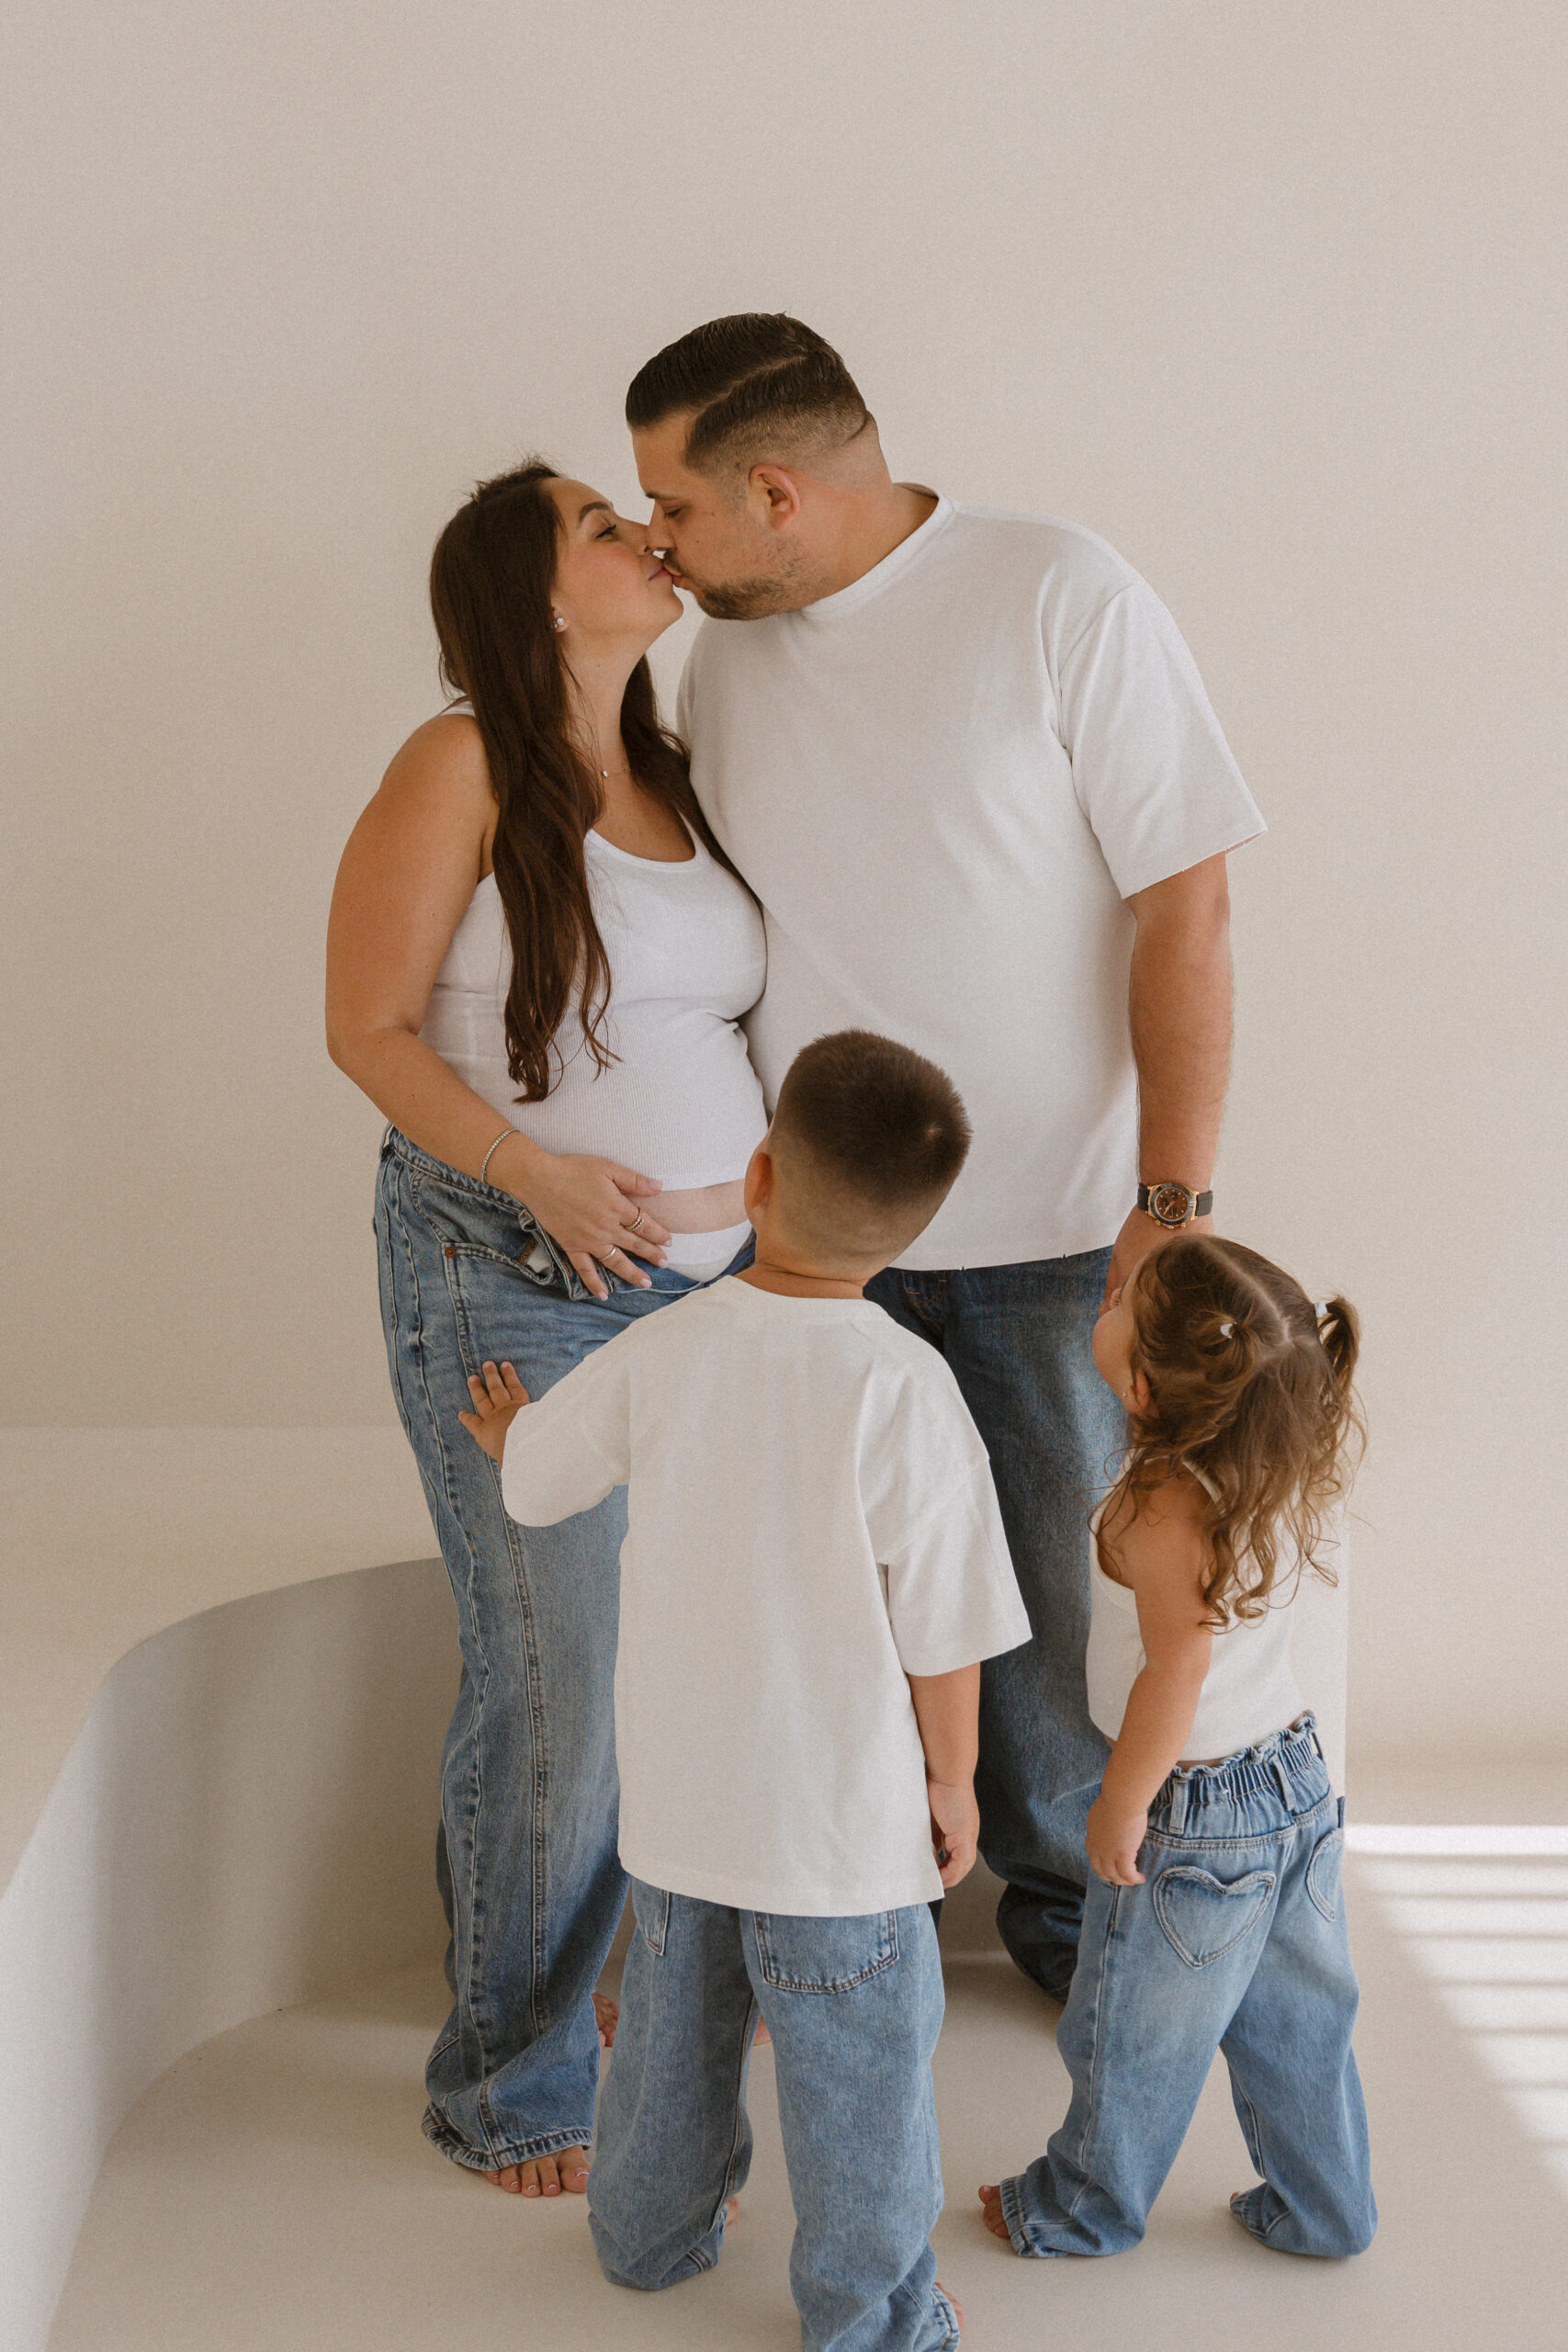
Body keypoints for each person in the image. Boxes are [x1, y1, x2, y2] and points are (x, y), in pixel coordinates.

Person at [626, 312, 1266, 2001]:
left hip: (1053, 1234)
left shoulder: (1058, 593)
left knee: (1046, 1624)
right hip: (812, 1247)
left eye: (674, 509)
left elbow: (1187, 903)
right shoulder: (724, 660)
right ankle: (844, 1939)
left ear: (774, 491)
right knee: (820, 1610)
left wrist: (1170, 1205)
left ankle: (1080, 1946)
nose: (657, 547)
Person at [324, 459, 769, 2198]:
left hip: (717, 1296)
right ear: (527, 593)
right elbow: (366, 1025)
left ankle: (611, 1981)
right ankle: (506, 2082)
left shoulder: (676, 771)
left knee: (672, 1660)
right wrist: (539, 1174)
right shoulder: (459, 763)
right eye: (599, 523)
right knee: (560, 1677)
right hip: (518, 1272)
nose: (643, 533)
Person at [459, 1031, 1032, 2352]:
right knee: (861, 2085)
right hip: (840, 1841)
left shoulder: (666, 1348)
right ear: (913, 1234)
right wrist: (952, 1782)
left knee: (669, 2052)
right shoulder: (907, 1388)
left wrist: (507, 1435)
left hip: (682, 1819)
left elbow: (538, 1484)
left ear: (759, 1174)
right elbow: (946, 1630)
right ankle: (871, 2318)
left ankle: (643, 2235)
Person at [978, 1234, 1375, 2259]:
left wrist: (1120, 1802)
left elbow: (1177, 1671)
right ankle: (1328, 2206)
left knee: (1128, 2032)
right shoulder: (1271, 1457)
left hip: (1195, 1816)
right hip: (1293, 1777)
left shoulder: (1156, 1507)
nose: (1104, 1301)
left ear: (1142, 1387)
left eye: (1121, 1303)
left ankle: (1078, 2209)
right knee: (1301, 2024)